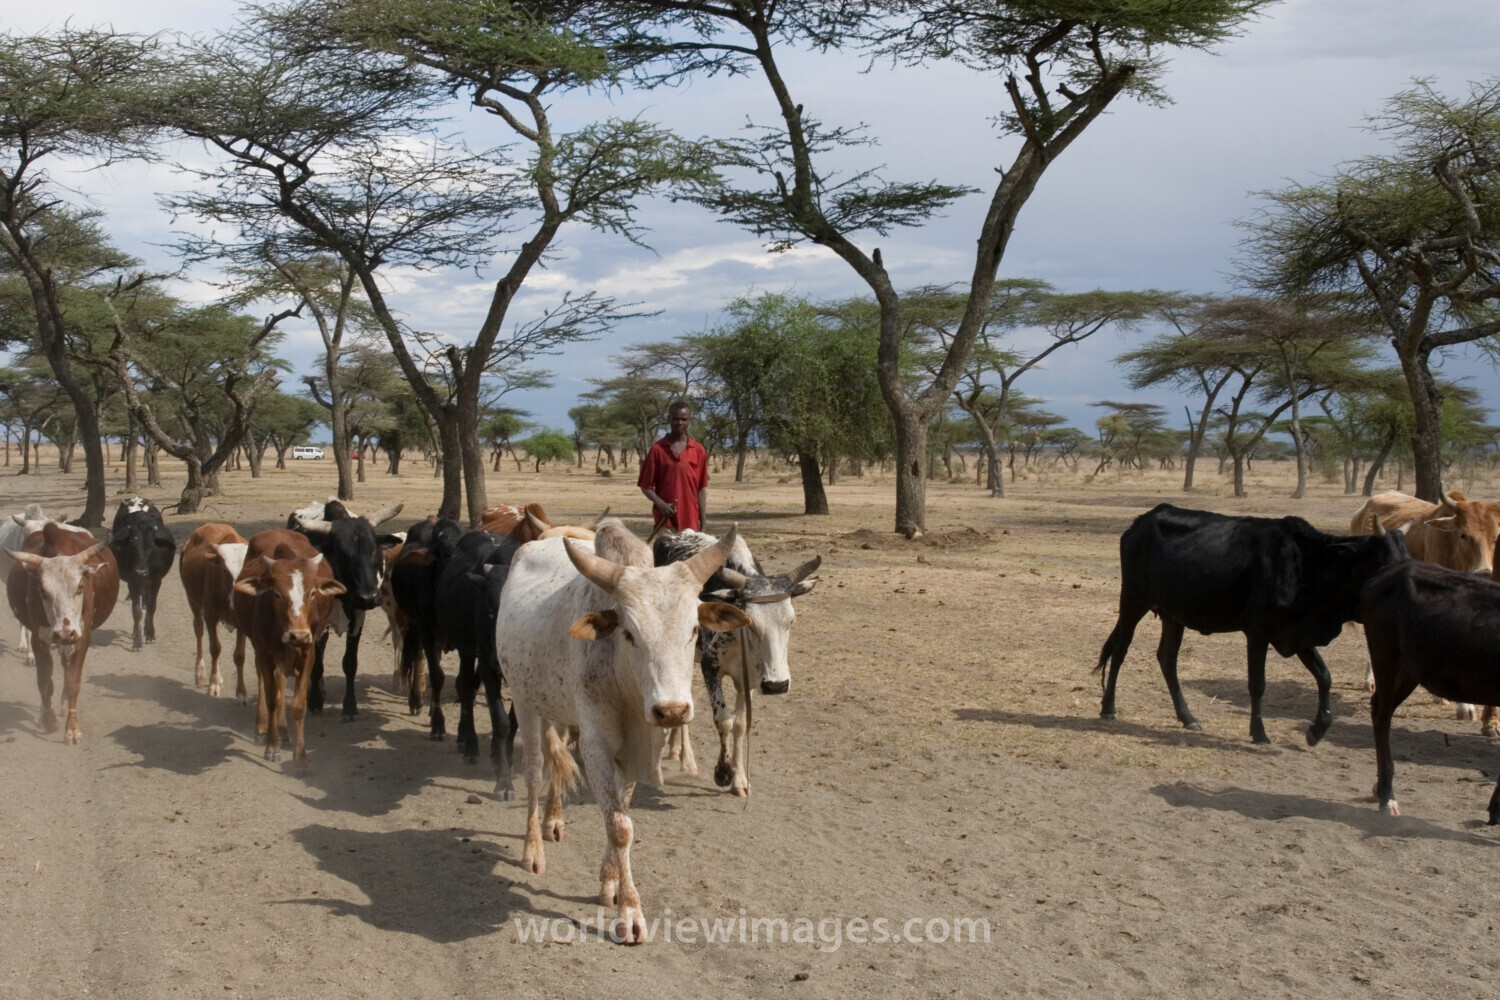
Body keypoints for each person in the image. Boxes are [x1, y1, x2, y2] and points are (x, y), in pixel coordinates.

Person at [638, 400, 708, 533]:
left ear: (689, 421)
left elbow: (701, 490)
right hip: (665, 521)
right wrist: (662, 505)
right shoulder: (657, 449)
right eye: (676, 419)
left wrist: (703, 525)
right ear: (669, 419)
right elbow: (645, 487)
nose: (680, 423)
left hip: (690, 522)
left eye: (684, 419)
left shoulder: (698, 450)